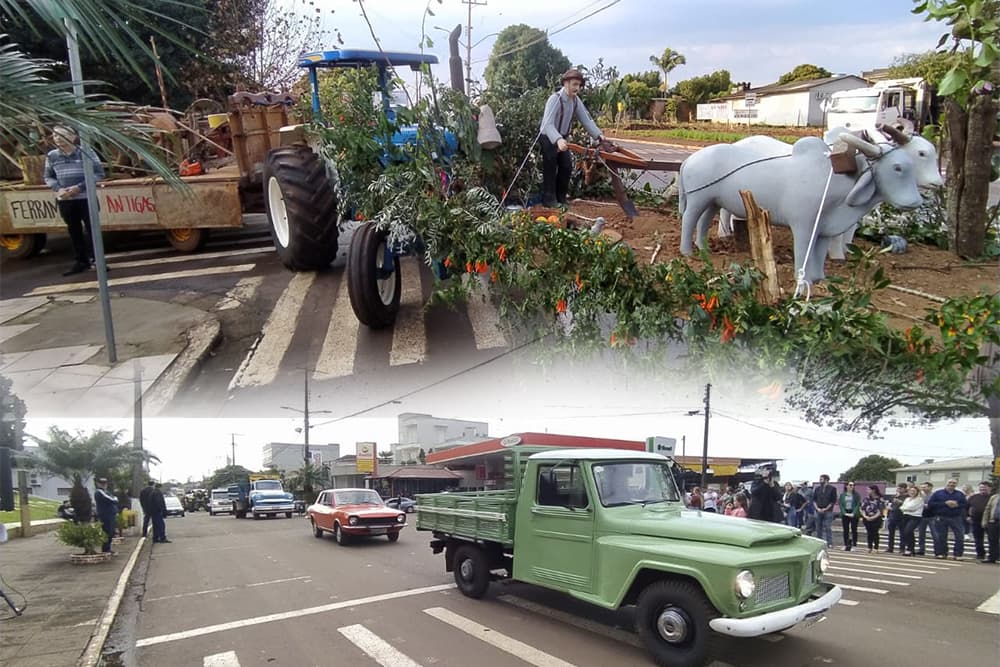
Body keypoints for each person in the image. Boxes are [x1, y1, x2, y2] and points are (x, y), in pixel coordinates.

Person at [42, 125, 106, 276]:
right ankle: (81, 261)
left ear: (73, 137)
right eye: (55, 135)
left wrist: (79, 187)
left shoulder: (86, 152)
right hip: (66, 199)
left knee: (92, 229)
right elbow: (48, 176)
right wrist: (58, 189)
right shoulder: (52, 156)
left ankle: (98, 261)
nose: (58, 138)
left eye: (62, 135)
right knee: (74, 230)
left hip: (86, 198)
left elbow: (99, 173)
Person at [538, 68, 606, 207]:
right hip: (549, 137)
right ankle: (549, 200)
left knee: (566, 167)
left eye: (579, 85)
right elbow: (547, 124)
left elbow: (586, 120)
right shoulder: (554, 99)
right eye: (574, 84)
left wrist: (598, 135)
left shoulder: (575, 101)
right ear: (566, 83)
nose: (577, 88)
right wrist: (558, 140)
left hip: (563, 139)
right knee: (550, 168)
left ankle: (561, 198)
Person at [927, 478, 967, 559]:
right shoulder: (938, 493)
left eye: (954, 483)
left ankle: (958, 554)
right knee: (941, 536)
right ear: (946, 483)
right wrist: (945, 503)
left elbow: (965, 504)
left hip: (956, 517)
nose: (952, 484)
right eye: (950, 482)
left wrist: (957, 505)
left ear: (956, 484)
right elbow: (931, 504)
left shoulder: (960, 494)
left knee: (959, 536)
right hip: (941, 517)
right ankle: (941, 553)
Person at [967, 481, 992, 561]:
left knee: (992, 539)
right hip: (976, 521)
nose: (982, 489)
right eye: (981, 487)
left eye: (984, 487)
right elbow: (966, 507)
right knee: (978, 539)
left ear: (990, 488)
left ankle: (993, 555)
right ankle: (980, 555)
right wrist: (967, 516)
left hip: (990, 521)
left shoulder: (993, 497)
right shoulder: (973, 497)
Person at [94, 477, 119, 555]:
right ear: (98, 484)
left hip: (110, 515)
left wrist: (114, 499)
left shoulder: (106, 492)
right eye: (102, 483)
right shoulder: (99, 492)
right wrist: (114, 499)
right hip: (105, 515)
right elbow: (112, 500)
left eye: (105, 483)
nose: (104, 485)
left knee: (111, 532)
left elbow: (114, 499)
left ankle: (108, 549)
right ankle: (105, 549)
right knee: (107, 532)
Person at [812, 474, 838, 547]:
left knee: (827, 527)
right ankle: (819, 542)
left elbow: (833, 501)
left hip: (828, 511)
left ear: (826, 480)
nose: (820, 481)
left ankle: (829, 543)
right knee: (818, 527)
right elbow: (814, 500)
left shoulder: (832, 489)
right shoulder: (817, 489)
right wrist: (817, 508)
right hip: (818, 510)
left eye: (821, 479)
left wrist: (825, 509)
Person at [899, 485, 925, 556]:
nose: (912, 492)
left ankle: (910, 549)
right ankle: (911, 549)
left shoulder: (919, 499)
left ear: (917, 492)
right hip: (906, 516)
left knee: (908, 531)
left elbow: (912, 508)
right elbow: (901, 507)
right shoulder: (907, 499)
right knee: (908, 533)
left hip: (915, 517)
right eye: (911, 491)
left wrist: (905, 508)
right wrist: (905, 508)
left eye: (914, 491)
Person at [860, 485, 885, 553]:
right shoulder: (866, 499)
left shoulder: (880, 499)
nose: (867, 491)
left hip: (876, 518)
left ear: (873, 490)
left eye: (869, 489)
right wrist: (865, 516)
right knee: (869, 533)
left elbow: (880, 510)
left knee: (875, 533)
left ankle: (876, 548)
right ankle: (869, 547)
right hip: (867, 518)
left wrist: (873, 517)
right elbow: (862, 508)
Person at [838, 482, 862, 551]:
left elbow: (858, 504)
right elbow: (841, 504)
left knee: (854, 529)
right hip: (845, 513)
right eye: (850, 485)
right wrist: (844, 513)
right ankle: (846, 544)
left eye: (853, 485)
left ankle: (854, 545)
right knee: (845, 529)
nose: (852, 486)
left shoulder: (856, 495)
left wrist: (853, 513)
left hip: (853, 513)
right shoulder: (843, 495)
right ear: (847, 486)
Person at [981, 486, 999, 564]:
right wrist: (984, 521)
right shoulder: (994, 497)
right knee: (992, 540)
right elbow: (987, 509)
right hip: (993, 521)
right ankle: (992, 557)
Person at [916, 481, 934, 555]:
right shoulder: (920, 495)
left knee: (935, 534)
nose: (923, 488)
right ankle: (921, 549)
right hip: (922, 516)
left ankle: (937, 550)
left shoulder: (934, 495)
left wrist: (928, 505)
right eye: (922, 487)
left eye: (925, 487)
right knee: (921, 534)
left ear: (930, 487)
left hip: (932, 516)